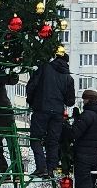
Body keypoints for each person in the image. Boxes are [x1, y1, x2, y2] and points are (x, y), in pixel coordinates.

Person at [25, 49, 75, 178]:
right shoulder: (69, 78)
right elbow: (70, 102)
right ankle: (50, 170)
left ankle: (41, 168)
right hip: (57, 113)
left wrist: (31, 101)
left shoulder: (45, 68)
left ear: (56, 58)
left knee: (35, 138)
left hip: (41, 109)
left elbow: (31, 86)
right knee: (53, 141)